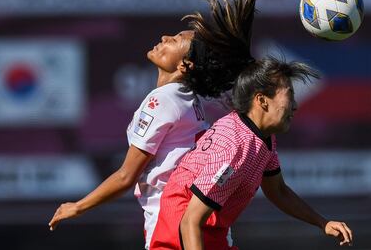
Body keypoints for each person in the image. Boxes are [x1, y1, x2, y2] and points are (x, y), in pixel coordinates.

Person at [48, 0, 257, 249]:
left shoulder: (163, 100)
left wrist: (78, 206)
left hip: (171, 223)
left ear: (185, 65)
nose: (165, 37)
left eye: (176, 40)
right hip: (203, 223)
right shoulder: (189, 101)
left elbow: (126, 177)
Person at [150, 57, 353, 249]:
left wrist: (322, 223)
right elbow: (190, 221)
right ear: (262, 100)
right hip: (181, 237)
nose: (295, 105)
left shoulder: (262, 136)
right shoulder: (234, 148)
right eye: (290, 95)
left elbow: (278, 191)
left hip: (210, 233)